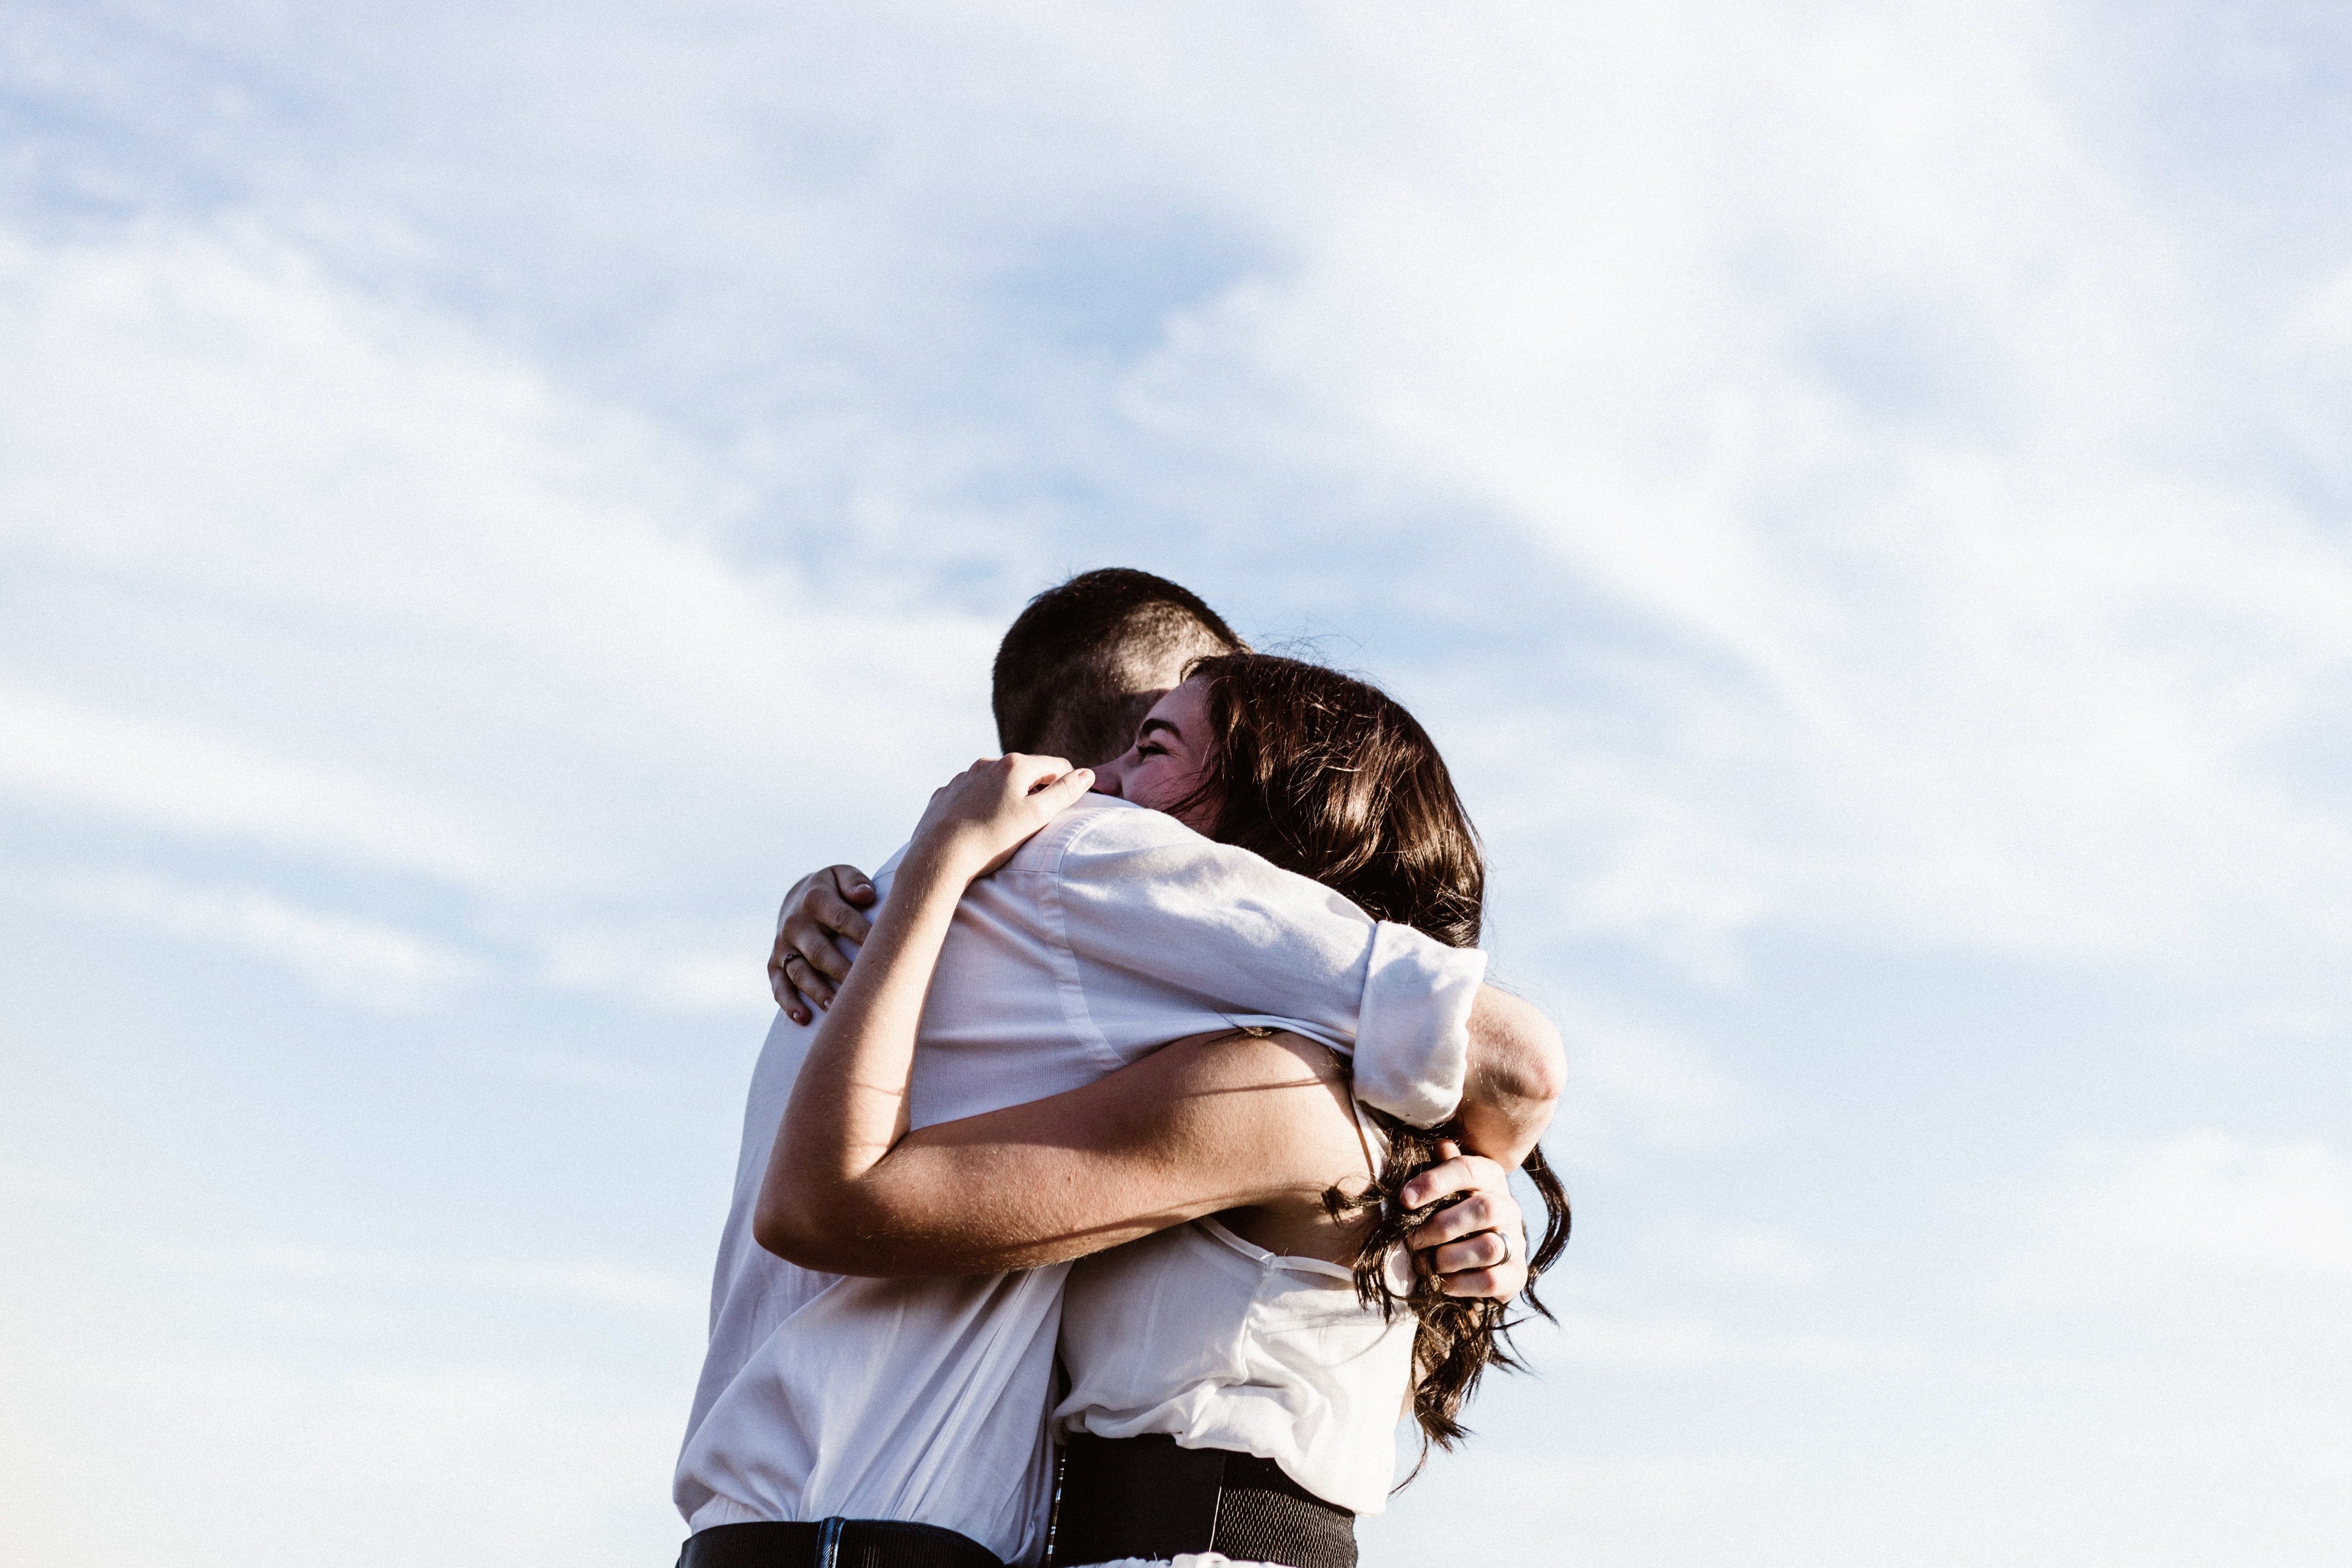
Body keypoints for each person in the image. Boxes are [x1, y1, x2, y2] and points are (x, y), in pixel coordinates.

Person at [676, 570, 1564, 1568]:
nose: (1097, 796)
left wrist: (925, 868)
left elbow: (1516, 1066)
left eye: (1155, 753)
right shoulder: (1100, 965)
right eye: (1142, 741)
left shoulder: (1282, 1093)